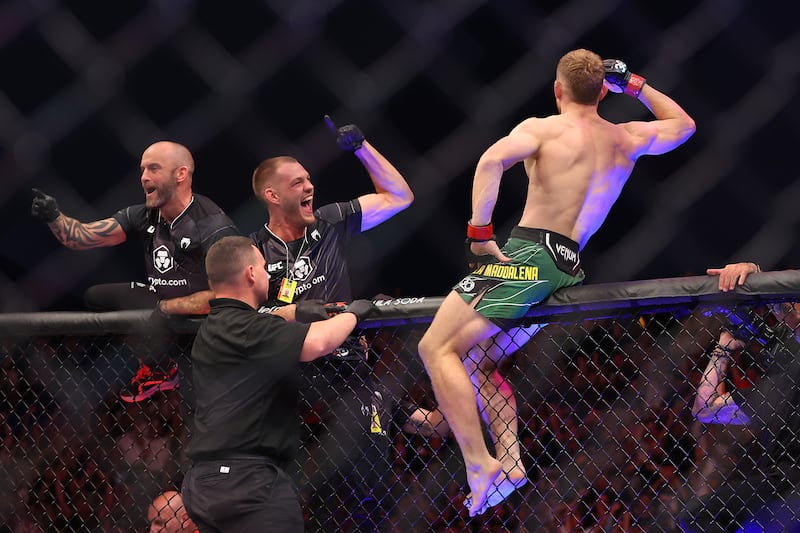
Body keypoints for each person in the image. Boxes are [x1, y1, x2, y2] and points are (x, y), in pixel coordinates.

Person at [417, 48, 696, 516]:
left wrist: (480, 234)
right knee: (481, 358)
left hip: (528, 255)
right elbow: (684, 125)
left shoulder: (543, 127)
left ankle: (478, 463)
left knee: (435, 347)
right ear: (603, 90)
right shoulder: (626, 137)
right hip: (567, 264)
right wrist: (636, 85)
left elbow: (490, 161)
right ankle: (510, 463)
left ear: (557, 90)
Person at [249, 116, 413, 531]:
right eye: (298, 183)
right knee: (306, 505)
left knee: (369, 495)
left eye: (309, 180)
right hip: (292, 384)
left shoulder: (330, 222)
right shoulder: (251, 251)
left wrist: (361, 148)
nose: (310, 188)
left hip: (348, 376)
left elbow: (399, 197)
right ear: (272, 195)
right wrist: (286, 312)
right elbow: (238, 316)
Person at [180, 235, 374, 532]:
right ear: (250, 273)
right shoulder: (249, 328)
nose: (268, 272)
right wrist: (354, 314)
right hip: (248, 482)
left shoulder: (214, 327)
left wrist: (294, 313)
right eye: (263, 265)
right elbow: (319, 341)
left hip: (206, 481)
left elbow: (263, 327)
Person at [31, 141, 239, 402]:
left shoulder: (212, 224)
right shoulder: (145, 216)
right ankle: (159, 367)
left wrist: (170, 308)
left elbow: (232, 296)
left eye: (153, 169)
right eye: (142, 170)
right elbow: (82, 238)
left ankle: (174, 366)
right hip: (162, 318)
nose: (144, 177)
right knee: (97, 296)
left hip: (202, 329)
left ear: (180, 174)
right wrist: (54, 216)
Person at [678, 263, 800, 532]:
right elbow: (704, 409)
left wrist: (757, 271)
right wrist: (724, 347)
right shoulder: (776, 387)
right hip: (783, 484)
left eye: (787, 302)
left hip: (787, 490)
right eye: (778, 306)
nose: (779, 310)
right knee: (695, 517)